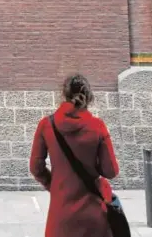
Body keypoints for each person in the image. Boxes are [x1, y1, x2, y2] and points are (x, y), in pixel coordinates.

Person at [29, 74, 120, 237]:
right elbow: (111, 171)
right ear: (89, 97)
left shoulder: (46, 125)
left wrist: (55, 185)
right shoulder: (97, 126)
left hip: (60, 217)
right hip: (94, 218)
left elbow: (36, 168)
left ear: (64, 95)